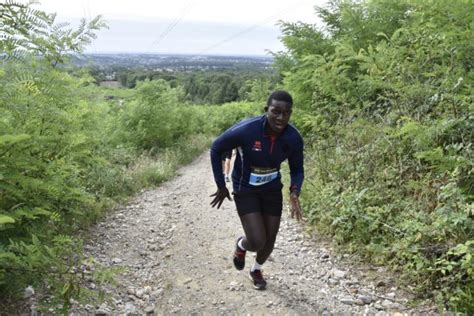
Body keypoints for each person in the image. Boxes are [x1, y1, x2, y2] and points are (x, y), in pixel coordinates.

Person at [210, 90, 304, 290]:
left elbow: (297, 170)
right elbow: (216, 147)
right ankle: (242, 245)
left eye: (286, 113)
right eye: (275, 111)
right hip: (246, 188)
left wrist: (295, 192)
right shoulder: (248, 130)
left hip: (271, 189)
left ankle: (256, 270)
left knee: (269, 243)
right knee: (257, 240)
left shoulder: (293, 138)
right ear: (266, 110)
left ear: (290, 113)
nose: (280, 117)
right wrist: (221, 184)